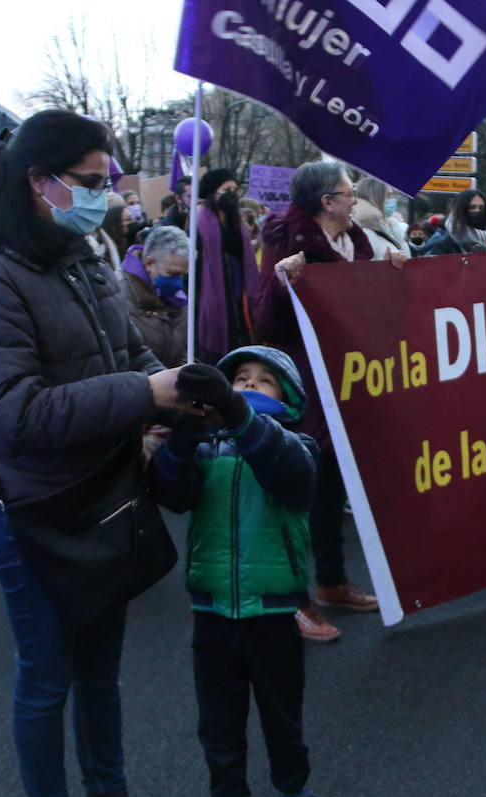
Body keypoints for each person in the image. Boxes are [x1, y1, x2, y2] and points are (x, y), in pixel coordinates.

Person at [0, 110, 192, 797]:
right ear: (36, 182)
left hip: (104, 492)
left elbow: (129, 351)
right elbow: (13, 414)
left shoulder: (81, 257)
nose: (104, 197)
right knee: (47, 679)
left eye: (106, 181)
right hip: (31, 509)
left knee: (101, 673)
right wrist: (139, 395)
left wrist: (182, 387)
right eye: (88, 184)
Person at [152, 347, 341, 797]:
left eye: (266, 382)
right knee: (219, 722)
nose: (251, 386)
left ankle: (295, 794)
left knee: (283, 716)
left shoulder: (298, 444)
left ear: (291, 397)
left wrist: (236, 414)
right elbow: (169, 490)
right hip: (211, 609)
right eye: (240, 379)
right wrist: (186, 429)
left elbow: (291, 480)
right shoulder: (205, 445)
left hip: (275, 613)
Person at [254, 160, 406, 642]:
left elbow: (367, 305)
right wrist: (282, 281)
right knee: (301, 485)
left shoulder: (357, 241)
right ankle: (292, 600)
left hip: (346, 376)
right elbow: (265, 322)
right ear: (328, 202)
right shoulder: (286, 241)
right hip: (306, 380)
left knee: (332, 481)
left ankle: (332, 581)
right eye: (348, 190)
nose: (355, 195)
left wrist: (391, 275)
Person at [192, 168, 257, 364]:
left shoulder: (237, 225)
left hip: (240, 293)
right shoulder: (199, 224)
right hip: (212, 295)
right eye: (226, 189)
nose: (232, 194)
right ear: (213, 194)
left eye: (235, 189)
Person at [119, 224, 189, 369]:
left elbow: (182, 351)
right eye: (173, 274)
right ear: (149, 263)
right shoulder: (118, 294)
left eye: (183, 275)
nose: (179, 283)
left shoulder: (178, 300)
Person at [425, 188, 486, 256]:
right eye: (472, 207)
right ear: (461, 210)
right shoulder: (444, 245)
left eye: (481, 207)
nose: (477, 211)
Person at [352, 176, 409, 261]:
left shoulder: (391, 228)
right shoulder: (364, 233)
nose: (393, 200)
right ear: (375, 197)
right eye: (388, 195)